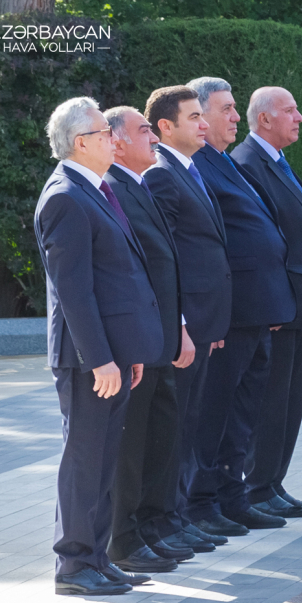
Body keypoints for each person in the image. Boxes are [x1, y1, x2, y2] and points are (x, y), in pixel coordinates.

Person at [35, 97, 163, 595]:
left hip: (110, 355)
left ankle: (97, 557)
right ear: (82, 142)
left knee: (105, 460)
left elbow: (117, 278)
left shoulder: (96, 188)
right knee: (84, 459)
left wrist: (124, 353)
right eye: (105, 132)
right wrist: (101, 359)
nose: (115, 138)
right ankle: (73, 565)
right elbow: (74, 291)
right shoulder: (65, 195)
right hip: (88, 358)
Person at [187, 77, 300, 531]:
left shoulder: (220, 162)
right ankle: (203, 502)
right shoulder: (199, 164)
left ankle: (234, 496)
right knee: (216, 413)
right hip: (232, 314)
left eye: (236, 108)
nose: (236, 117)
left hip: (257, 309)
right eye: (226, 109)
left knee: (242, 414)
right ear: (198, 117)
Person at [103, 106, 195, 574]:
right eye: (144, 131)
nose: (153, 139)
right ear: (116, 141)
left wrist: (178, 325)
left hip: (160, 335)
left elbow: (165, 264)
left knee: (161, 435)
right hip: (139, 339)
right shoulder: (114, 189)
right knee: (132, 443)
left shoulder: (141, 184)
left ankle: (154, 524)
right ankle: (123, 538)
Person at [143, 85, 234, 553]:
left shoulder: (190, 169)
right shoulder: (161, 176)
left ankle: (178, 515)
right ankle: (168, 519)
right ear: (165, 127)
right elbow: (168, 259)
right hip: (186, 323)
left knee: (192, 422)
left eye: (204, 115)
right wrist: (182, 324)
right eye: (194, 117)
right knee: (176, 426)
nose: (204, 124)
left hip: (205, 320)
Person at [232, 86, 302, 518]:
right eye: (290, 110)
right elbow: (258, 243)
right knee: (271, 401)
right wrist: (270, 303)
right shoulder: (248, 164)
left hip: (299, 302)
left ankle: (273, 482)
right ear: (265, 119)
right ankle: (257, 486)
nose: (300, 117)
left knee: (291, 399)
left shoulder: (276, 160)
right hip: (280, 304)